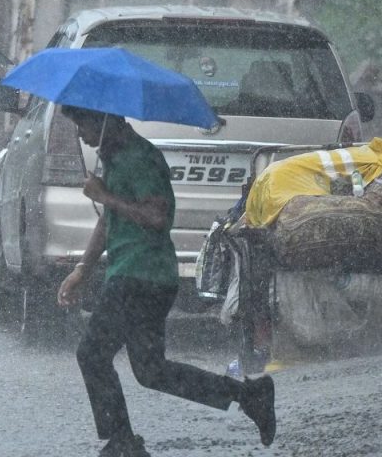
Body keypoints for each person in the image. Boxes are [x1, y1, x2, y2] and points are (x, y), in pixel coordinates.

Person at [55, 105, 276, 457]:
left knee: (92, 355)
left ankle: (123, 443)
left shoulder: (141, 157)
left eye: (83, 123)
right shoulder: (115, 157)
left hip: (140, 276)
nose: (80, 133)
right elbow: (110, 219)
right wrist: (84, 268)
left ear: (106, 120)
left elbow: (157, 216)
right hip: (139, 275)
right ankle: (250, 395)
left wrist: (104, 196)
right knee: (151, 371)